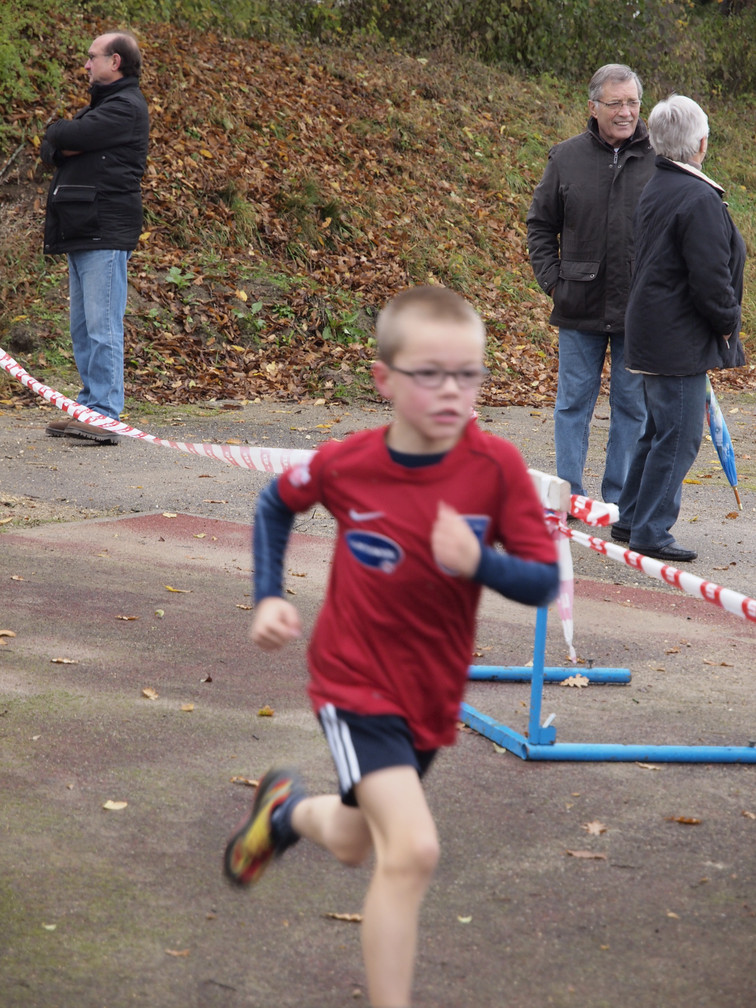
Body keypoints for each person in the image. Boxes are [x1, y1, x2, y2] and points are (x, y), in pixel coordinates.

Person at [223, 285, 560, 1008]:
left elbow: (543, 581)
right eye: (429, 374)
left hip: (431, 693)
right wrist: (269, 595)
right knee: (411, 852)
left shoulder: (496, 468)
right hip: (353, 683)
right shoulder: (349, 462)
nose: (452, 391)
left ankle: (282, 814)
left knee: (353, 843)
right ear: (385, 379)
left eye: (468, 374)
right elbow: (276, 502)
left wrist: (479, 562)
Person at [611, 96, 746, 562]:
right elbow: (710, 278)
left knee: (658, 430)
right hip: (676, 336)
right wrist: (727, 322)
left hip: (655, 329)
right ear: (701, 143)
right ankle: (651, 529)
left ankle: (631, 517)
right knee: (679, 436)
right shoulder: (697, 196)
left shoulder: (662, 183)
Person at [526, 63, 656, 504]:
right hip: (578, 304)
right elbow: (540, 225)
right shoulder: (566, 158)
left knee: (632, 408)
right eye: (615, 103)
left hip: (639, 309)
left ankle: (618, 503)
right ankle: (568, 497)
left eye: (633, 102)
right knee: (572, 405)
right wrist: (553, 282)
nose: (626, 112)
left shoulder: (660, 160)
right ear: (593, 107)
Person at [41, 31, 149, 445]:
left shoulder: (125, 107)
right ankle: (89, 407)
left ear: (115, 61)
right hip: (84, 229)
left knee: (103, 328)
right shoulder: (102, 108)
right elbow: (52, 148)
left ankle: (104, 414)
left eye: (92, 57)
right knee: (83, 328)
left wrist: (64, 136)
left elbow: (65, 136)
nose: (86, 64)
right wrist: (63, 139)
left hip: (104, 229)